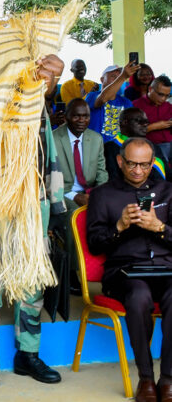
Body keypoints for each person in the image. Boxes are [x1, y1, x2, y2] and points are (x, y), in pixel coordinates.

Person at [0, 54, 66, 389]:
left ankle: (27, 355)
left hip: (33, 205)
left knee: (32, 285)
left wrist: (56, 207)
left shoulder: (37, 106)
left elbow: (49, 155)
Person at [87, 137, 172, 402]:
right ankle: (146, 379)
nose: (138, 170)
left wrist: (159, 228)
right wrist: (119, 227)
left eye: (145, 165)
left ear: (152, 163)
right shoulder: (103, 194)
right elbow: (94, 244)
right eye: (132, 164)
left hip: (165, 269)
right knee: (138, 296)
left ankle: (167, 379)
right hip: (124, 272)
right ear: (120, 161)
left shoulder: (167, 191)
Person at [50, 98, 108, 272]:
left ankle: (103, 267)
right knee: (76, 216)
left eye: (86, 116)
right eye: (76, 116)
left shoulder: (95, 139)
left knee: (111, 210)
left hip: (90, 191)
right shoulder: (54, 138)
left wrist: (99, 196)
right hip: (62, 192)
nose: (82, 120)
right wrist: (75, 196)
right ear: (66, 116)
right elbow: (49, 178)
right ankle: (76, 271)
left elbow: (101, 172)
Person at [105, 107, 169, 182]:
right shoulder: (110, 147)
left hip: (160, 190)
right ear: (125, 122)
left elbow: (167, 173)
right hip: (128, 191)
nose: (145, 125)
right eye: (140, 121)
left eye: (146, 122)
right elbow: (113, 177)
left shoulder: (153, 146)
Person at [85, 62, 139, 142]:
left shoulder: (126, 102)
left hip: (117, 148)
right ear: (102, 79)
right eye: (113, 76)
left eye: (119, 77)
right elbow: (103, 99)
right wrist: (122, 77)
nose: (118, 80)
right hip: (95, 147)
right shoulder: (92, 96)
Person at [133, 75, 172, 161]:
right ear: (150, 89)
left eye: (167, 96)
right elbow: (131, 133)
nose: (163, 99)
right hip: (148, 147)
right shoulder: (136, 106)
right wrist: (154, 126)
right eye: (160, 94)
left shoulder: (169, 107)